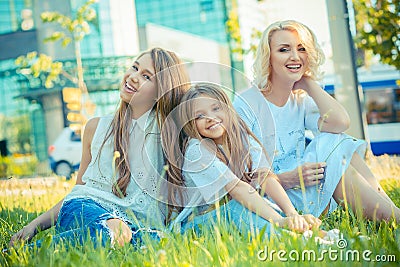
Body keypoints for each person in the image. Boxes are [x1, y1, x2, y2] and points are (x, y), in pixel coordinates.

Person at [9, 47, 190, 248]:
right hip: (86, 207)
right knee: (118, 231)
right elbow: (79, 191)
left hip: (134, 224)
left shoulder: (169, 133)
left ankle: (99, 237)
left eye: (146, 76)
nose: (133, 77)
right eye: (135, 67)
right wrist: (34, 226)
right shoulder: (96, 127)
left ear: (162, 92)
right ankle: (24, 253)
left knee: (157, 241)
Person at [233, 20, 400, 221]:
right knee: (332, 151)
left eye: (301, 49)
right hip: (275, 197)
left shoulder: (300, 99)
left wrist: (309, 84)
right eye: (284, 50)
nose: (295, 56)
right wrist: (291, 178)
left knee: (336, 141)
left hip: (308, 185)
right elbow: (248, 175)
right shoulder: (247, 102)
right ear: (269, 57)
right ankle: (392, 218)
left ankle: (391, 214)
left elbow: (340, 123)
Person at [168, 82, 323, 237]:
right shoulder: (196, 150)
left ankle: (312, 234)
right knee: (239, 208)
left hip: (233, 212)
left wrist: (292, 214)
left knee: (265, 206)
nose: (210, 118)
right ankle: (292, 239)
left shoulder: (240, 137)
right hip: (196, 224)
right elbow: (237, 189)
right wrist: (279, 221)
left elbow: (264, 177)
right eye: (200, 116)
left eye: (216, 108)